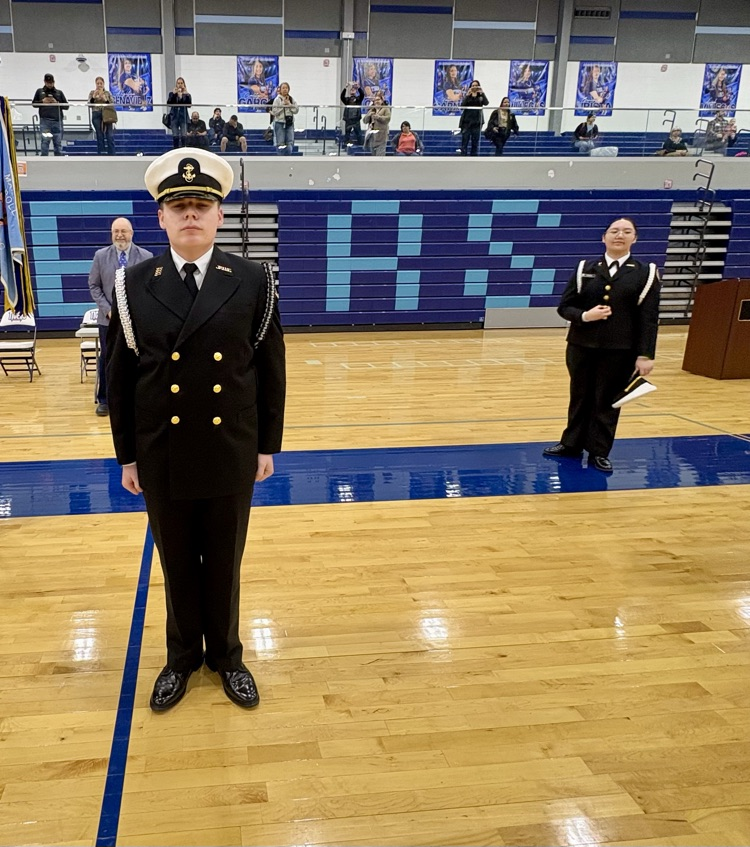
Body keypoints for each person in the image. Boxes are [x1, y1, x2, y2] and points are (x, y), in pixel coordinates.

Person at [106, 148, 286, 711]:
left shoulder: (253, 280)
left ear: (219, 215)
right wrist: (127, 457)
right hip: (163, 451)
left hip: (230, 446)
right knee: (177, 561)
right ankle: (181, 658)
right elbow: (122, 377)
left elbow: (269, 368)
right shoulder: (134, 283)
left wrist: (267, 446)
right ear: (160, 217)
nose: (190, 214)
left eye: (201, 205)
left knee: (225, 560)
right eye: (179, 205)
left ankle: (227, 657)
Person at [543, 217, 661, 473]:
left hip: (620, 350)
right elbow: (565, 306)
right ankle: (571, 443)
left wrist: (645, 354)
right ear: (604, 237)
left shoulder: (646, 272)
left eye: (627, 231)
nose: (620, 235)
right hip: (581, 346)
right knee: (580, 396)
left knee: (607, 401)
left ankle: (599, 451)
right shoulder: (585, 268)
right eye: (614, 231)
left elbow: (649, 318)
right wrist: (585, 316)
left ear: (635, 238)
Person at [87, 218, 153, 416]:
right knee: (108, 358)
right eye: (116, 231)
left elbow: (149, 287)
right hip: (108, 320)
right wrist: (108, 309)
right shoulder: (100, 256)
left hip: (136, 320)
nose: (119, 235)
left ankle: (135, 397)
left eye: (123, 231)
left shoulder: (146, 256)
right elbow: (94, 286)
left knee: (137, 358)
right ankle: (105, 399)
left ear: (132, 233)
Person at [32, 73, 68, 156]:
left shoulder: (59, 92)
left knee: (58, 142)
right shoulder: (39, 91)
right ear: (44, 82)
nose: (50, 84)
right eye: (48, 83)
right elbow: (34, 104)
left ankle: (59, 161)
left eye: (51, 82)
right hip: (45, 121)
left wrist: (57, 102)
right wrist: (42, 102)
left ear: (54, 82)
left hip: (57, 121)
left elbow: (66, 106)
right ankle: (44, 160)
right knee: (45, 142)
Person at [458, 80, 489, 156]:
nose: (474, 87)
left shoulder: (480, 96)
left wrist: (482, 93)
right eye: (473, 85)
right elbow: (462, 106)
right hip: (467, 122)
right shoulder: (468, 96)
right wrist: (467, 95)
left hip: (477, 122)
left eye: (476, 85)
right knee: (464, 142)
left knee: (475, 142)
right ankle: (463, 157)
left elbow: (486, 103)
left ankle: (473, 158)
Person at [88, 76, 116, 156]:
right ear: (95, 84)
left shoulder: (108, 93)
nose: (99, 85)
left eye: (101, 83)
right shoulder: (92, 92)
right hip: (96, 114)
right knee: (99, 135)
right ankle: (101, 154)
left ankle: (112, 154)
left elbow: (112, 104)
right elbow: (89, 105)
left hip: (107, 114)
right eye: (98, 83)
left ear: (104, 84)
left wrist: (105, 99)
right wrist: (94, 97)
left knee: (109, 135)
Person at [271, 82, 299, 156]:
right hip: (279, 123)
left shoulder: (291, 99)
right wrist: (282, 105)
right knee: (280, 142)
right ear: (280, 89)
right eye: (283, 88)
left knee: (290, 141)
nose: (285, 89)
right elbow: (274, 112)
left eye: (286, 88)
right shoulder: (277, 100)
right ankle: (281, 159)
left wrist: (289, 105)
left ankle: (288, 157)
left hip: (289, 123)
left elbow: (296, 110)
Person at [167, 77, 191, 148]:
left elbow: (189, 105)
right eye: (178, 83)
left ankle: (184, 149)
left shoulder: (187, 94)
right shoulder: (171, 93)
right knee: (175, 135)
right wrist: (174, 95)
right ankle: (176, 149)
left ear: (184, 84)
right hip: (174, 117)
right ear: (176, 84)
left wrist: (185, 95)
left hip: (183, 117)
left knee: (184, 134)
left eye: (181, 83)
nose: (180, 85)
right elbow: (169, 103)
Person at [340, 81, 364, 147]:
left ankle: (361, 146)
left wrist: (358, 87)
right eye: (351, 90)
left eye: (354, 90)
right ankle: (346, 145)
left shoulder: (358, 99)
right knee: (347, 133)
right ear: (349, 92)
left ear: (356, 91)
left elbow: (362, 94)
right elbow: (342, 97)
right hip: (348, 119)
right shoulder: (347, 100)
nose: (352, 90)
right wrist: (345, 87)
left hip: (356, 119)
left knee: (358, 134)